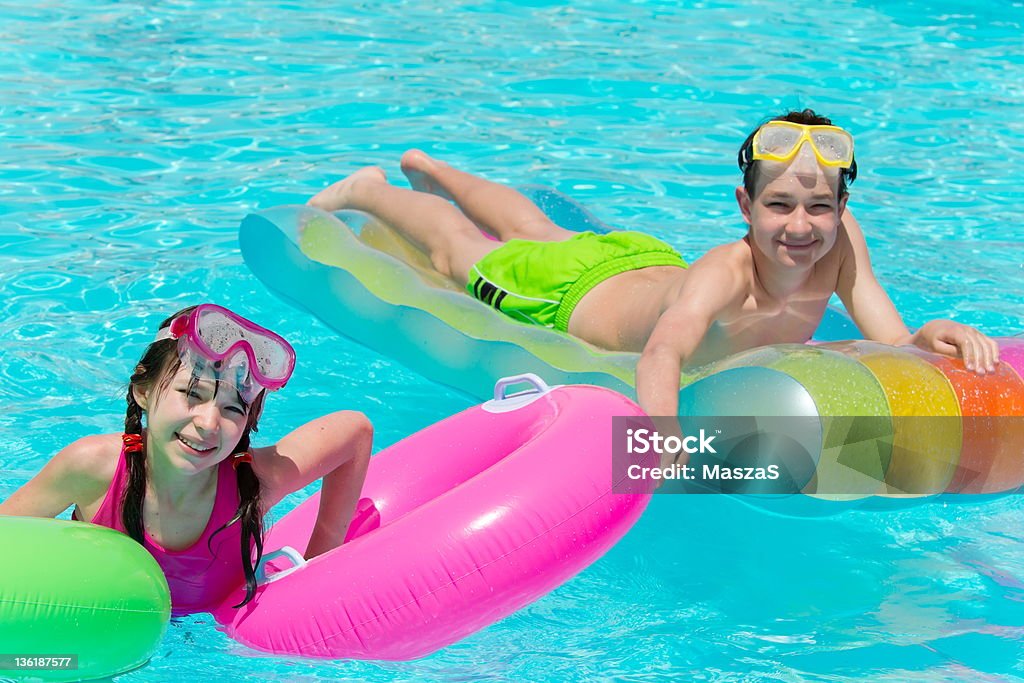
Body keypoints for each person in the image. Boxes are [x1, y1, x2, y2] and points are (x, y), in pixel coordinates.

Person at [307, 109, 1000, 418]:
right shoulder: (726, 274)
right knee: (463, 253)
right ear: (744, 205)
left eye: (819, 207)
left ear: (842, 204)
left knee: (538, 226)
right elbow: (664, 351)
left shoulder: (844, 241)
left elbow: (890, 336)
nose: (801, 225)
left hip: (642, 259)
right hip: (571, 297)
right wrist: (660, 435)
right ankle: (375, 187)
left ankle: (432, 167)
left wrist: (929, 335)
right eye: (779, 205)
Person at [0, 304, 371, 615]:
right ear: (143, 392)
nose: (209, 423)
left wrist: (323, 552)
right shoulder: (93, 467)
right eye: (191, 393)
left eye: (232, 408)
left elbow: (354, 431)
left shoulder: (252, 483)